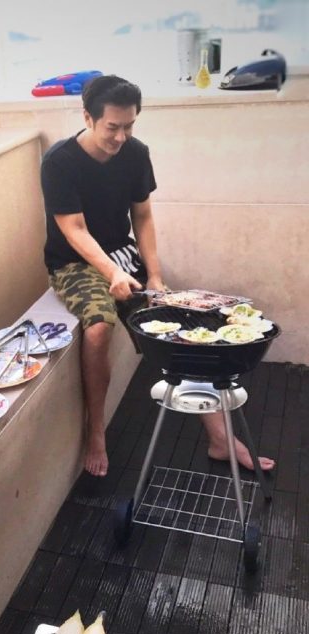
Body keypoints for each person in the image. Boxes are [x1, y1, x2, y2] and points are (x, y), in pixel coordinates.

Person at [41, 74, 274, 477]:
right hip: (73, 262)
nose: (121, 137)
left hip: (122, 253)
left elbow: (143, 216)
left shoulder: (135, 153)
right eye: (112, 127)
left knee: (182, 323)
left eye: (129, 126)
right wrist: (112, 272)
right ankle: (95, 431)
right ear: (88, 117)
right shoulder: (60, 162)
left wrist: (155, 276)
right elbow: (74, 230)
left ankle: (220, 438)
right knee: (98, 326)